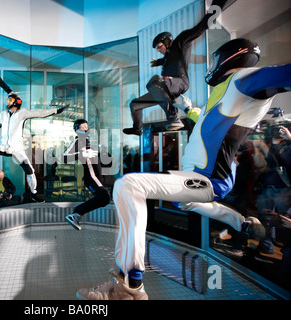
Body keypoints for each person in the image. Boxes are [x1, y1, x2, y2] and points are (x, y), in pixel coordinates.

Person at [76, 38, 291, 300]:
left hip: (207, 179)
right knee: (185, 204)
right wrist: (188, 109)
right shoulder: (225, 93)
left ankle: (129, 285)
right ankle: (243, 223)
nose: (213, 66)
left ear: (233, 57)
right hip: (198, 178)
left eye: (215, 60)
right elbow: (205, 122)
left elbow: (280, 74)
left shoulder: (243, 79)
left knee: (128, 185)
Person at [123, 0, 229, 135]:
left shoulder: (181, 42)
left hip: (180, 82)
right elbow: (170, 60)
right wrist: (159, 62)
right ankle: (137, 128)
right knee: (135, 104)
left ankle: (173, 117)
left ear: (167, 42)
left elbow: (201, 27)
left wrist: (216, 7)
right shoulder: (167, 57)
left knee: (155, 81)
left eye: (160, 47)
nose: (159, 50)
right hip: (165, 88)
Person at [0, 93, 69, 203]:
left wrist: (56, 110)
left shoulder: (22, 113)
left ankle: (34, 193)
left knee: (30, 171)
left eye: (10, 100)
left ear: (16, 102)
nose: (7, 101)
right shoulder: (3, 114)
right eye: (7, 100)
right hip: (3, 147)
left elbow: (39, 113)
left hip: (17, 149)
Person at [63, 119, 111, 230]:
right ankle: (76, 214)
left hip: (100, 177)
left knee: (120, 182)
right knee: (104, 198)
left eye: (87, 127)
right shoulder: (77, 142)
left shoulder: (87, 142)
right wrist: (81, 153)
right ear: (76, 130)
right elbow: (64, 157)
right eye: (83, 127)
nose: (86, 129)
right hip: (92, 177)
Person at [256, 125, 291, 254]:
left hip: (283, 190)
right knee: (266, 219)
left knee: (284, 221)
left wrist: (288, 138)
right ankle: (266, 246)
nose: (276, 134)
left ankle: (286, 251)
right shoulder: (270, 145)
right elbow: (270, 164)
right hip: (267, 188)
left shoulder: (287, 147)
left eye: (280, 131)